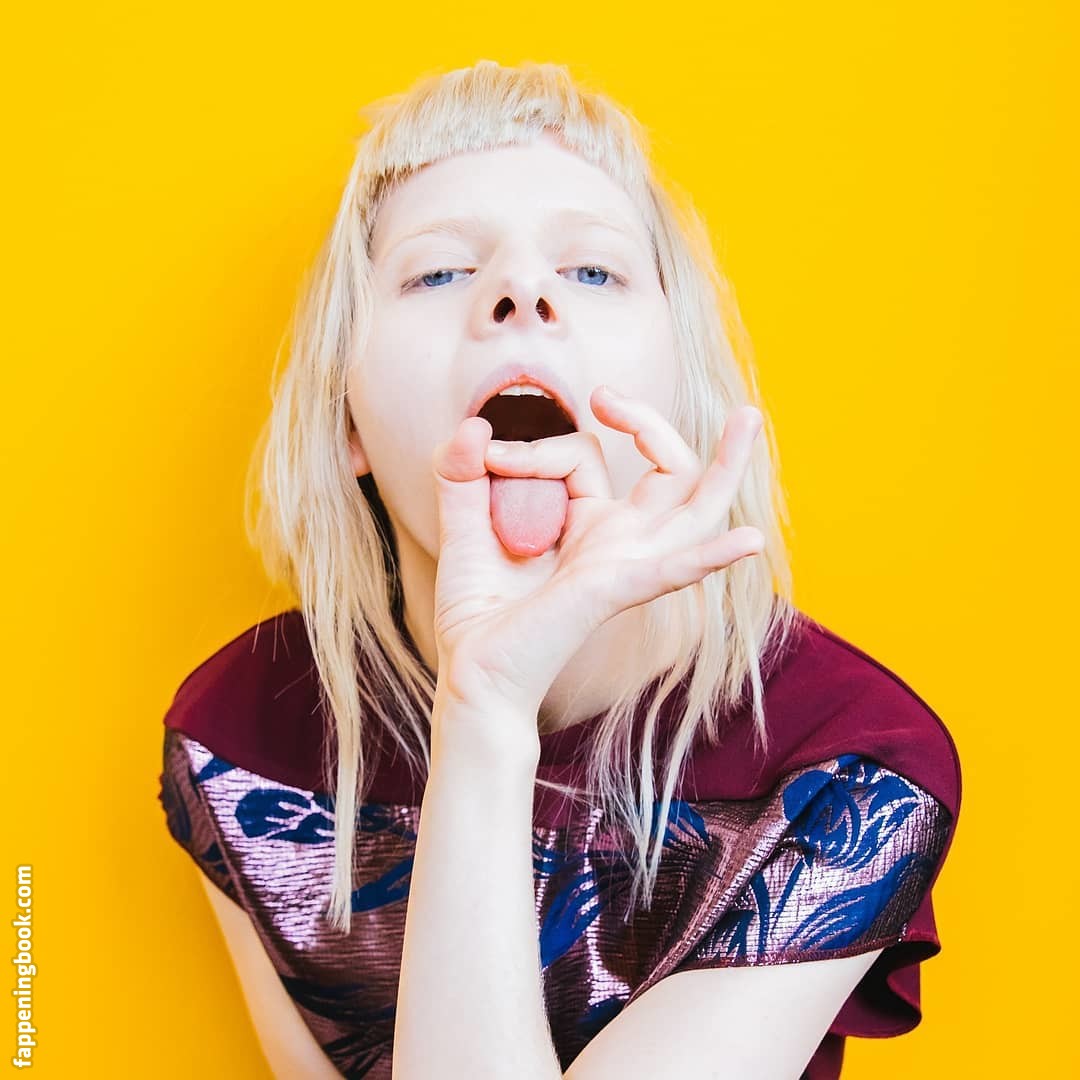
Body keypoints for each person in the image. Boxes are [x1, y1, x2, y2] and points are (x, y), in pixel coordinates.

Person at [158, 59, 962, 1079]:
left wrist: (487, 710)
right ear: (345, 416)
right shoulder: (241, 742)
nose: (520, 291)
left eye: (592, 271)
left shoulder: (844, 767)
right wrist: (483, 708)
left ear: (678, 385)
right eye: (436, 272)